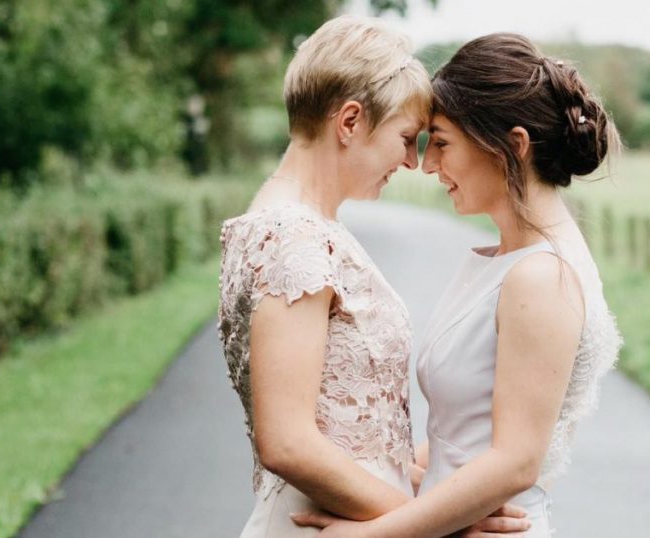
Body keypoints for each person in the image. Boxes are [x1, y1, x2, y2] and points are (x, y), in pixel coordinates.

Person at [292, 32, 623, 537]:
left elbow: (514, 464)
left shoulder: (540, 275)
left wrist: (370, 534)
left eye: (442, 143)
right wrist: (395, 480)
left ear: (512, 146)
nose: (427, 165)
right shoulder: (509, 261)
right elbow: (462, 435)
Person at [217, 17, 530, 537]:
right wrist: (433, 526)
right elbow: (287, 441)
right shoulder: (293, 235)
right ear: (350, 122)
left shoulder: (298, 224)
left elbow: (351, 430)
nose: (412, 161)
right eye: (406, 138)